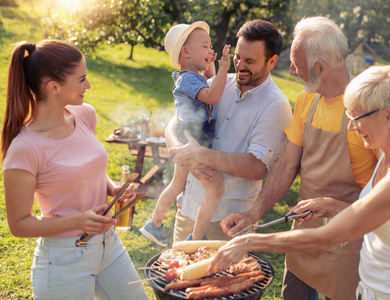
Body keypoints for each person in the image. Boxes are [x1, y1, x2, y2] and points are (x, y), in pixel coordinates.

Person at [210, 65, 390, 300]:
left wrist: (248, 241)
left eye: (356, 117)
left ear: (388, 116)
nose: (351, 126)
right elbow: (381, 218)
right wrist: (330, 205)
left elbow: (327, 237)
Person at [220, 16, 379, 300]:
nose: (292, 71)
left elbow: (384, 197)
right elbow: (287, 164)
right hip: (303, 233)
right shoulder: (308, 98)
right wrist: (253, 214)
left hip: (349, 238)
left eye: (297, 64)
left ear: (320, 68)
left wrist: (331, 206)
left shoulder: (366, 111)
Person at [2, 40, 147, 299]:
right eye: (81, 79)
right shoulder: (24, 148)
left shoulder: (84, 115)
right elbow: (18, 224)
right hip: (63, 260)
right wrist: (78, 221)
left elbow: (88, 167)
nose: (88, 86)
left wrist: (112, 187)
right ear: (54, 87)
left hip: (109, 246)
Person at [167, 19, 293, 242]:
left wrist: (201, 155)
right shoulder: (219, 82)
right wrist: (183, 153)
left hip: (227, 224)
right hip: (187, 210)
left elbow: (256, 167)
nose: (240, 65)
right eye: (237, 57)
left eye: (250, 61)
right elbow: (174, 123)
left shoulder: (276, 106)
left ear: (272, 61)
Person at [139, 21, 231, 246]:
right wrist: (224, 69)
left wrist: (210, 64)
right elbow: (212, 96)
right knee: (216, 187)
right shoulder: (187, 79)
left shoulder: (192, 75)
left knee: (176, 185)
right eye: (205, 46)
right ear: (185, 52)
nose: (210, 51)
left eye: (211, 47)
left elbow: (208, 78)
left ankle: (155, 223)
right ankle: (196, 238)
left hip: (188, 138)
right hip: (194, 143)